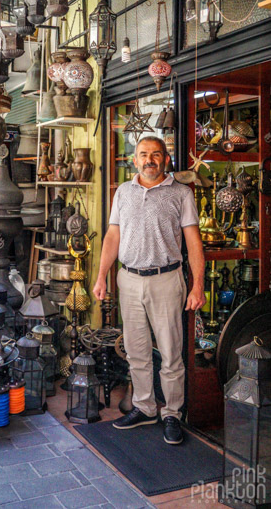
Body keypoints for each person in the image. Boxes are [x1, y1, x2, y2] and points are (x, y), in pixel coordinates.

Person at [92, 136, 205, 445]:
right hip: (128, 279)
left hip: (166, 280)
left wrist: (198, 285)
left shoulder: (181, 194)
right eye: (144, 154)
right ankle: (144, 406)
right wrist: (101, 276)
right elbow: (112, 236)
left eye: (156, 154)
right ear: (135, 160)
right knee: (137, 350)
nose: (149, 160)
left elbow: (193, 243)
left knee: (170, 353)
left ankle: (171, 413)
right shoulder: (123, 193)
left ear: (165, 159)